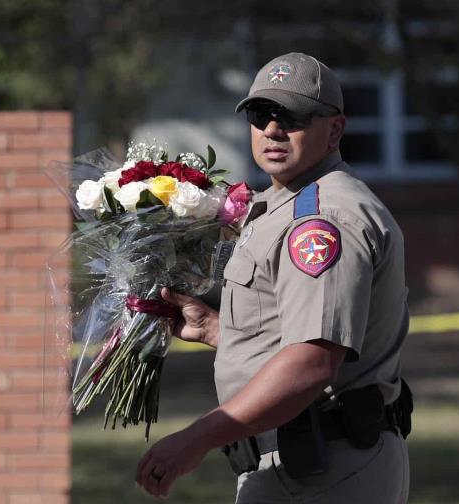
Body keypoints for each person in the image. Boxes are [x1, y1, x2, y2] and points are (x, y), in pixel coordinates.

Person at [134, 52, 412, 502]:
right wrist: (217, 330)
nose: (273, 129)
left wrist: (198, 437)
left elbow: (312, 360)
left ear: (335, 129)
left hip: (325, 468)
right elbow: (291, 333)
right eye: (262, 114)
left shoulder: (323, 219)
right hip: (296, 461)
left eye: (293, 116)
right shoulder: (286, 202)